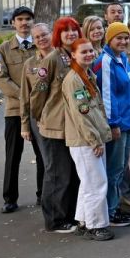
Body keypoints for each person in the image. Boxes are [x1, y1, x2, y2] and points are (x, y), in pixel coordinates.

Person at [30, 18, 83, 233]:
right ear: (58, 35)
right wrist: (42, 117)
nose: (70, 34)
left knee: (71, 173)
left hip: (74, 125)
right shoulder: (52, 59)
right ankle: (54, 219)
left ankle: (69, 215)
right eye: (65, 31)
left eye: (73, 30)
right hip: (53, 125)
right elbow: (38, 93)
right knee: (56, 173)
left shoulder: (78, 54)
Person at [63, 38, 114, 241]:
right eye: (83, 52)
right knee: (96, 183)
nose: (89, 55)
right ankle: (96, 226)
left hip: (92, 137)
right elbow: (80, 113)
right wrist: (93, 140)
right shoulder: (74, 79)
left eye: (91, 51)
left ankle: (84, 220)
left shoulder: (87, 75)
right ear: (73, 55)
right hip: (85, 141)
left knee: (88, 183)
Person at [0, 5, 44, 213]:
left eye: (28, 19)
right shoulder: (4, 49)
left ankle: (44, 194)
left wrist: (36, 99)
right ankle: (9, 198)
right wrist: (25, 96)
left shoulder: (41, 46)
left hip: (39, 112)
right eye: (20, 19)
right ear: (13, 23)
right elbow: (1, 79)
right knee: (13, 155)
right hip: (14, 111)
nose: (24, 23)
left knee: (43, 155)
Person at [94, 22, 130, 227]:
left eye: (125, 37)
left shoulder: (122, 58)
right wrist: (113, 124)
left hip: (129, 122)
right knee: (113, 169)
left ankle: (115, 205)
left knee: (120, 168)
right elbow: (107, 96)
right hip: (118, 125)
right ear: (109, 39)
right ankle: (110, 212)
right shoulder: (105, 61)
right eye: (118, 38)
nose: (123, 41)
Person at [19, 23, 53, 201]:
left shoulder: (63, 57)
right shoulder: (30, 64)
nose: (41, 39)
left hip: (62, 118)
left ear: (52, 34)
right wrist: (25, 126)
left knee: (62, 162)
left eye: (44, 34)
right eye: (37, 37)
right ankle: (48, 200)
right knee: (48, 161)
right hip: (38, 119)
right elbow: (25, 97)